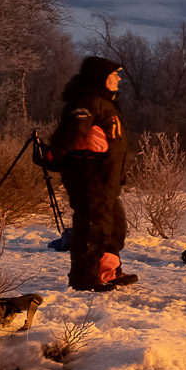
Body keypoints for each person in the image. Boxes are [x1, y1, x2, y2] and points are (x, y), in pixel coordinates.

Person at [50, 55, 135, 292]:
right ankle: (84, 277)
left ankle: (106, 271)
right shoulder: (87, 102)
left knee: (114, 227)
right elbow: (71, 133)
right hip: (90, 177)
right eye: (114, 74)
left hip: (106, 180)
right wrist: (54, 156)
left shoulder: (104, 102)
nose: (118, 78)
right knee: (92, 228)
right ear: (101, 78)